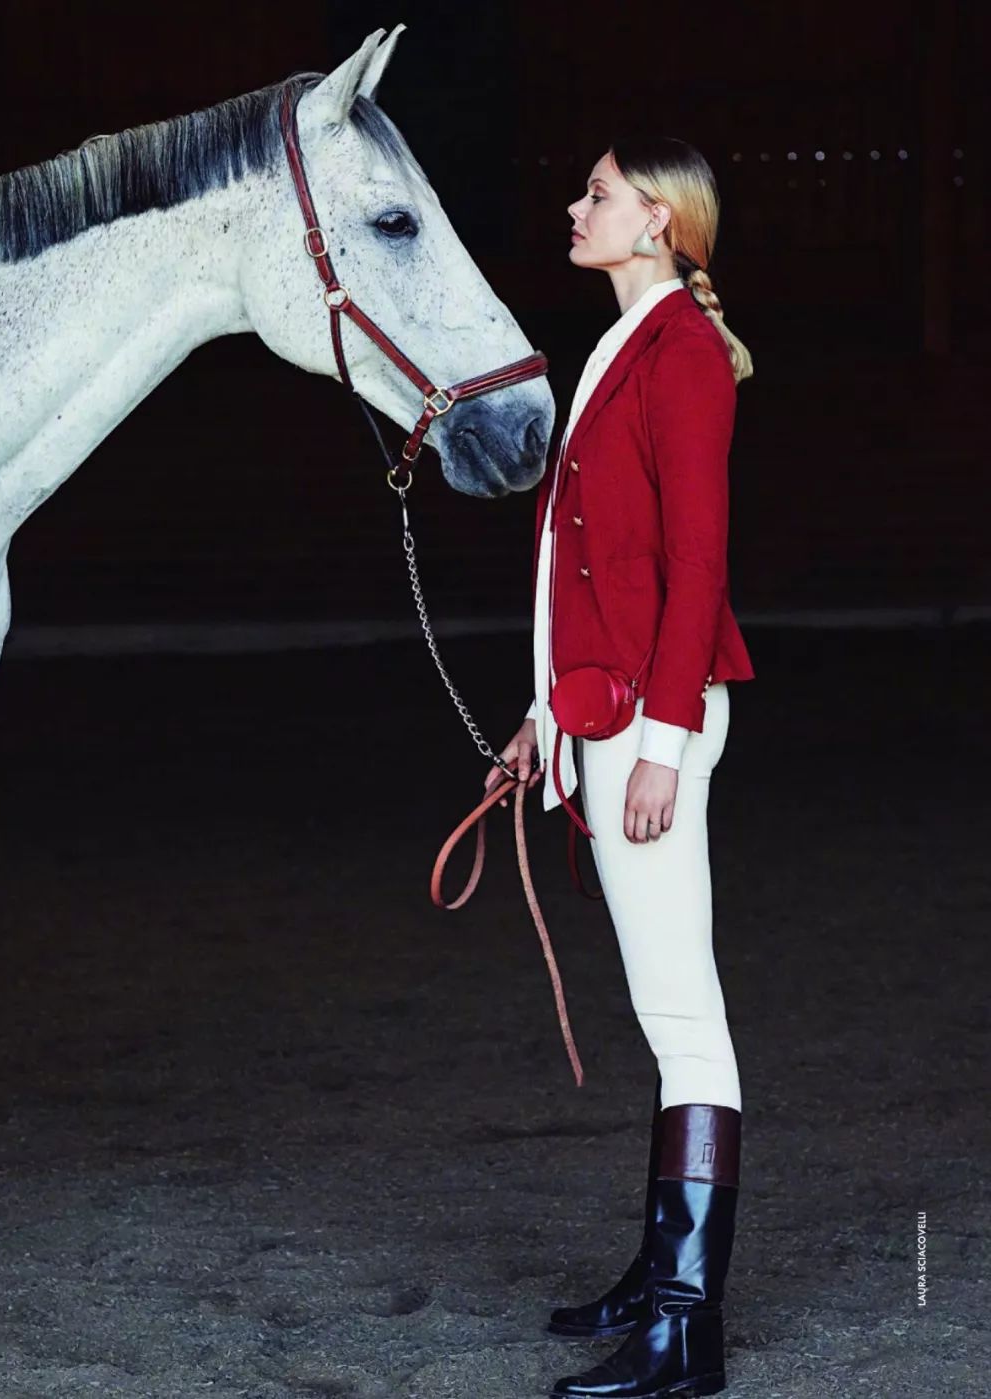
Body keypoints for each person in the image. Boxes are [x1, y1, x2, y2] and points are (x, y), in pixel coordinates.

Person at [484, 136, 756, 1398]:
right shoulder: (623, 342)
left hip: (653, 723)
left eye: (595, 190)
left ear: (656, 219)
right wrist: (546, 712)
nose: (574, 204)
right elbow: (584, 566)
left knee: (682, 1017)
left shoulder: (686, 355)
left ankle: (687, 1326)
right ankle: (663, 1278)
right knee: (664, 1011)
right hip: (598, 713)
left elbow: (697, 567)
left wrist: (654, 741)